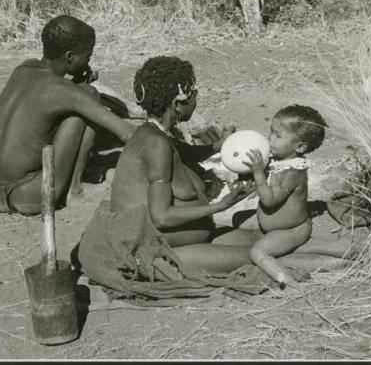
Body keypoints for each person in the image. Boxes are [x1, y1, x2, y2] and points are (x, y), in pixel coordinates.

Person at [107, 56, 261, 274]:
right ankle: (328, 263)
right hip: (160, 250)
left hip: (186, 239)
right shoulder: (156, 144)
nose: (196, 100)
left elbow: (188, 152)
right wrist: (222, 205)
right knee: (263, 254)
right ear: (177, 103)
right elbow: (160, 217)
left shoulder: (156, 133)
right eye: (194, 95)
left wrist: (219, 146)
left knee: (266, 240)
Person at [0, 15, 137, 215]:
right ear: (70, 57)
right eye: (87, 55)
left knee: (82, 97)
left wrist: (76, 85)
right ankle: (75, 190)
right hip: (33, 194)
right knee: (90, 95)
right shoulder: (64, 92)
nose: (89, 60)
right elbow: (127, 133)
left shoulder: (23, 69)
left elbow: (48, 98)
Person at [243, 105, 328, 288]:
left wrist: (258, 172)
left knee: (258, 252)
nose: (270, 138)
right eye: (271, 132)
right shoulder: (280, 160)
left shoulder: (293, 172)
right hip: (274, 227)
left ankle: (286, 281)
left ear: (300, 146)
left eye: (277, 135)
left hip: (292, 229)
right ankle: (288, 249)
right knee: (237, 219)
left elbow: (269, 199)